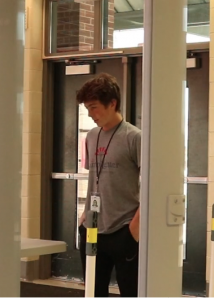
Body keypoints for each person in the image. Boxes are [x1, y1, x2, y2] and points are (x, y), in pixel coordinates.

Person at [77, 73, 141, 297]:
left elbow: (153, 185)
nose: (90, 114)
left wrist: (134, 228)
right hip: (93, 229)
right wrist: (85, 216)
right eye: (87, 108)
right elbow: (95, 176)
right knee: (93, 292)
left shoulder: (134, 137)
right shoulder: (91, 136)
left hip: (124, 229)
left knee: (131, 291)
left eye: (94, 107)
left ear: (112, 103)